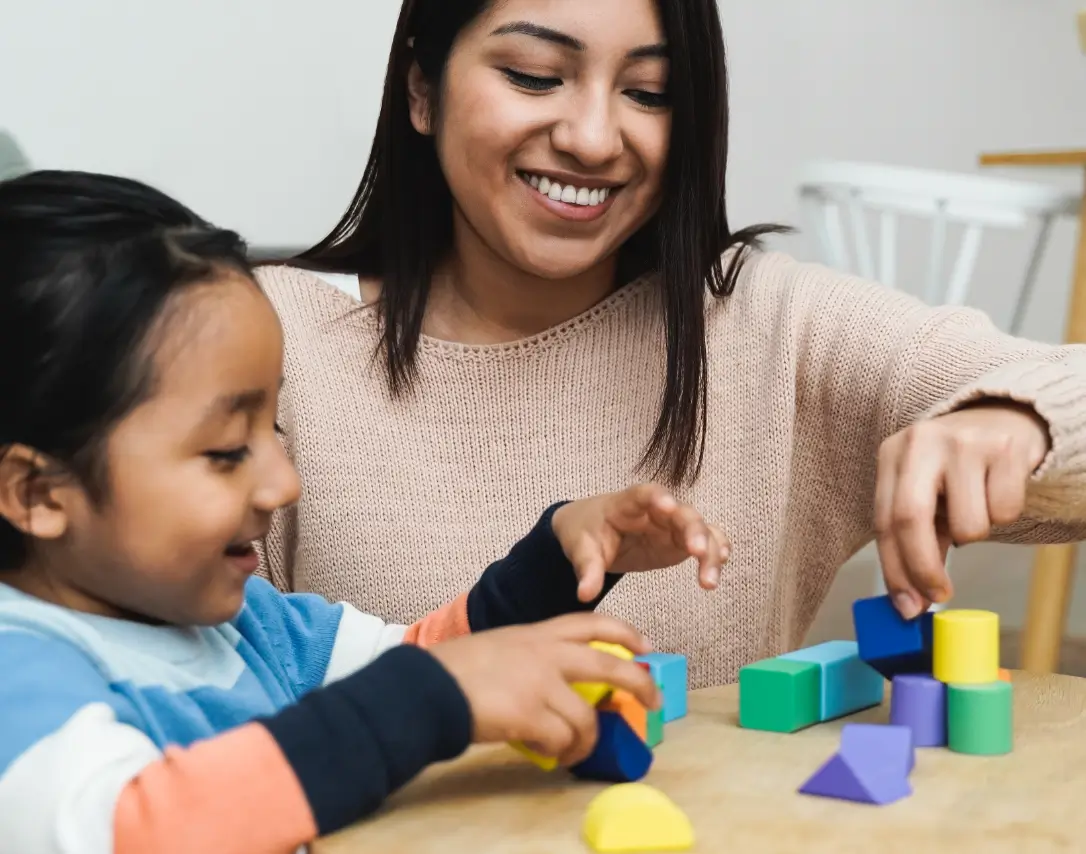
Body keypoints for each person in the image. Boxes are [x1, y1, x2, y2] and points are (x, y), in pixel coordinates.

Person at [257, 0, 1086, 689]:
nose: (591, 137)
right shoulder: (271, 344)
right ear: (421, 89)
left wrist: (1020, 418)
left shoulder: (765, 324)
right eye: (534, 76)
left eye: (649, 92)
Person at [0, 169, 731, 853]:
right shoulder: (17, 667)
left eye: (275, 430)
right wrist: (421, 699)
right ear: (38, 494)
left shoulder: (255, 624)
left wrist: (550, 561)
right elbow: (133, 827)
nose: (283, 483)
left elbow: (430, 669)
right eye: (227, 450)